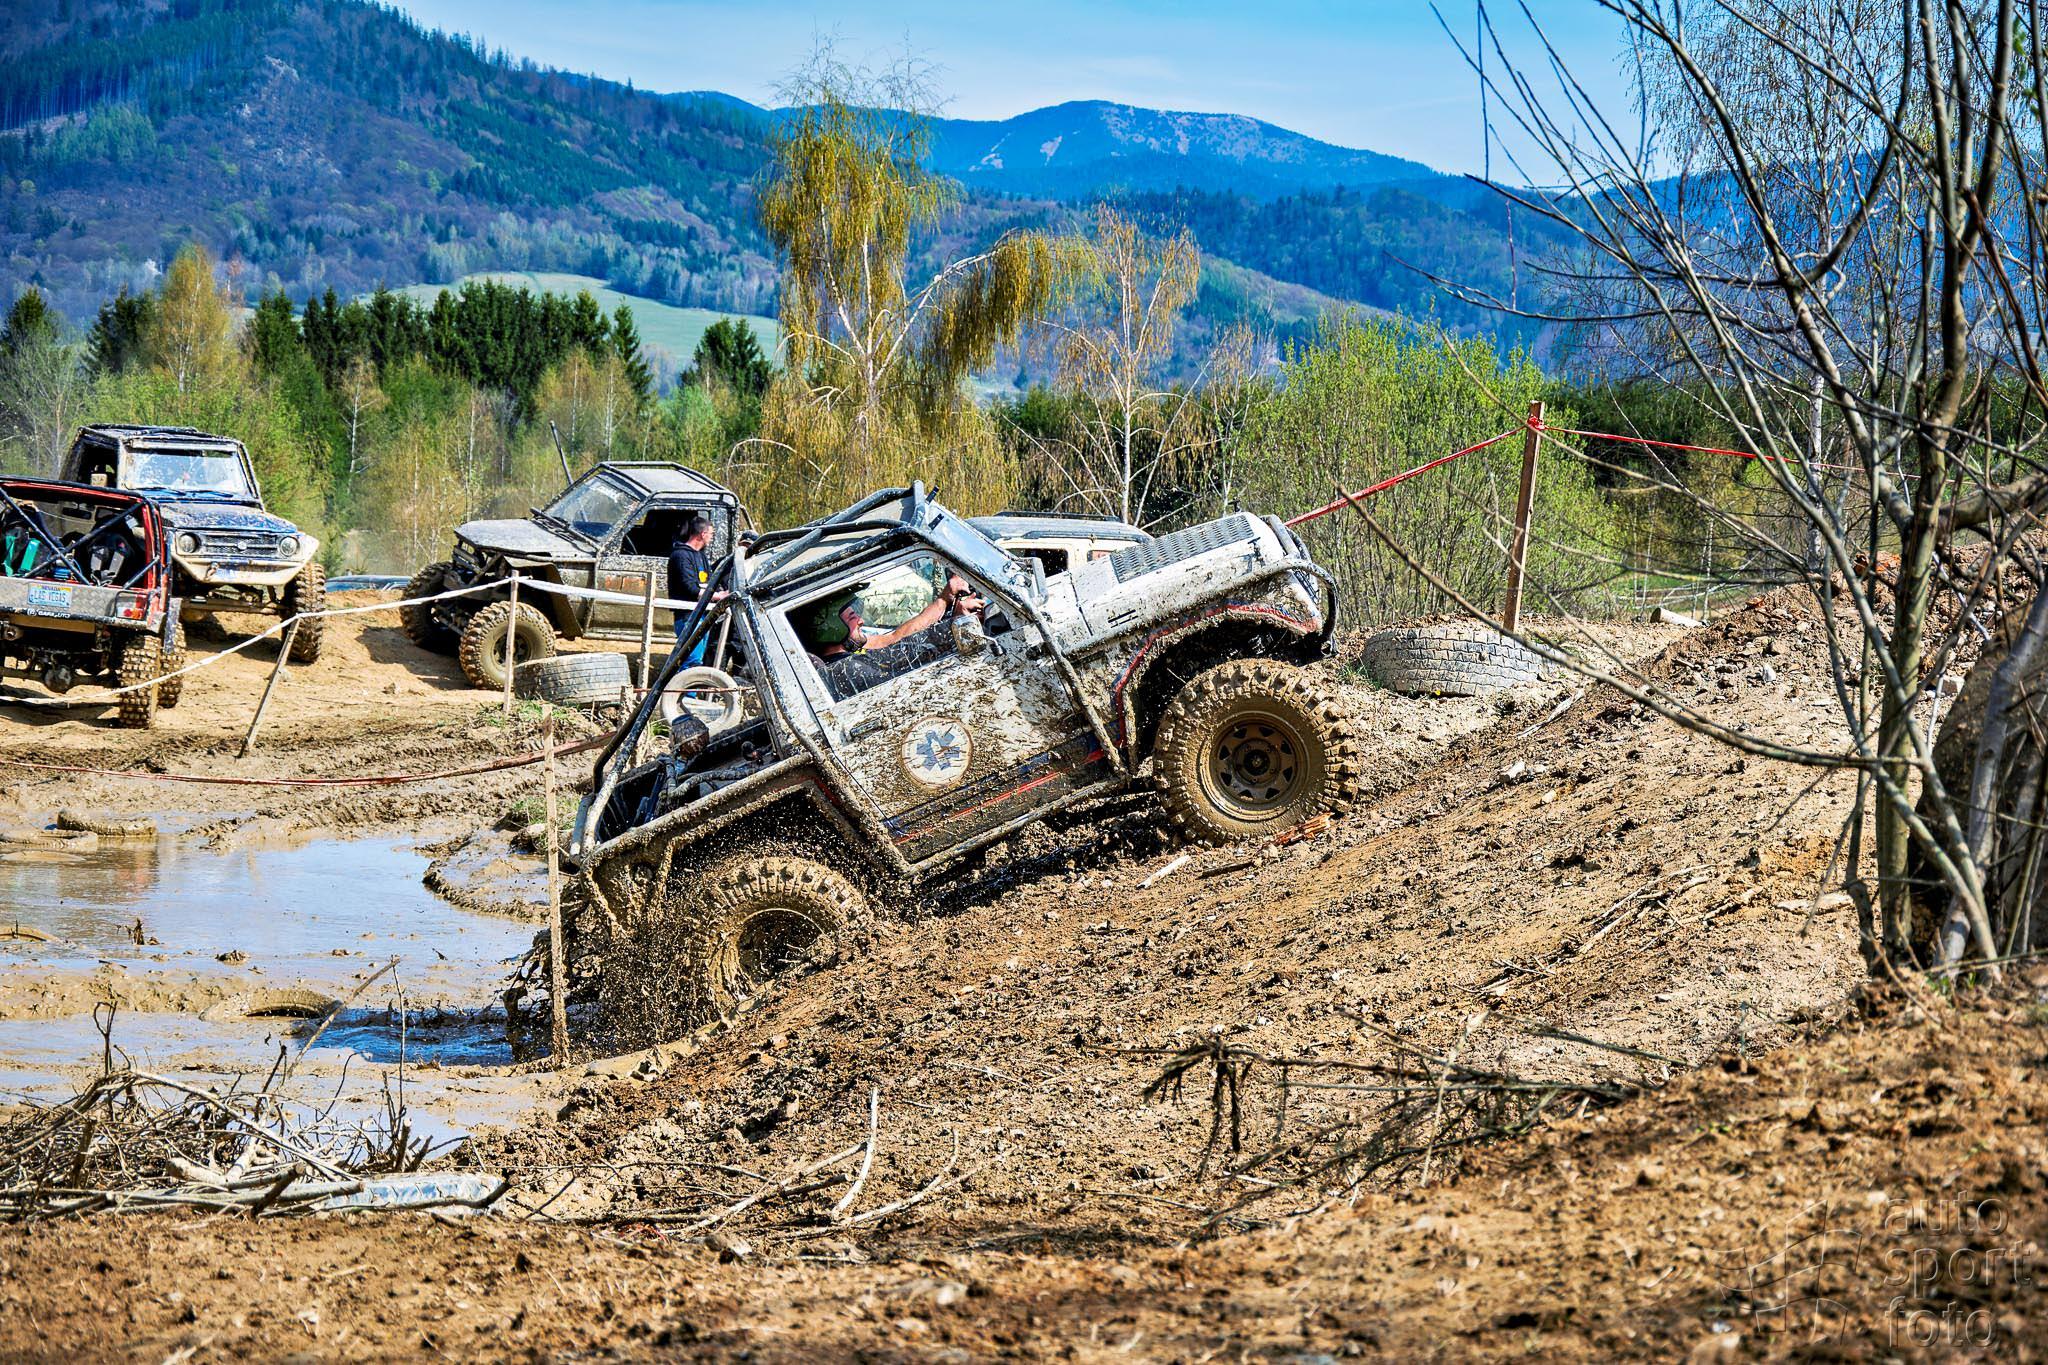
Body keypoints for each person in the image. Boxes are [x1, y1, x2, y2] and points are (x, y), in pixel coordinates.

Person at [807, 570, 984, 699]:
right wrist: (955, 624)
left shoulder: (847, 655)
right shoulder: (847, 670)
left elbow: (894, 638)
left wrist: (945, 599)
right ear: (832, 627)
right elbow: (910, 651)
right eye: (853, 617)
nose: (861, 621)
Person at [668, 513, 716, 665]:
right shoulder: (681, 555)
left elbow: (710, 581)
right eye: (711, 534)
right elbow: (689, 587)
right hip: (687, 616)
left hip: (702, 615)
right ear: (702, 534)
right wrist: (716, 596)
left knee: (696, 660)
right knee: (691, 661)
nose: (712, 537)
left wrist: (718, 591)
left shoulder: (701, 556)